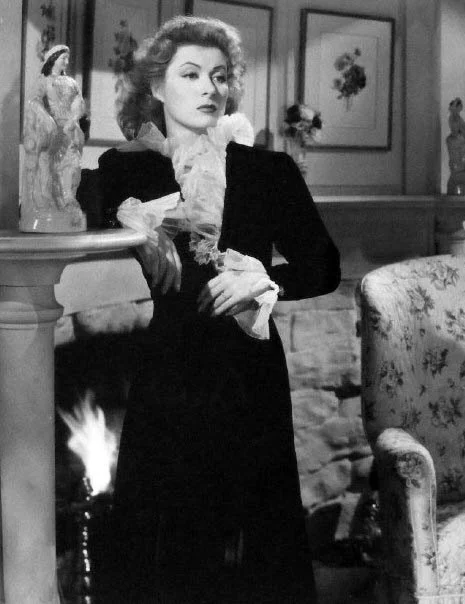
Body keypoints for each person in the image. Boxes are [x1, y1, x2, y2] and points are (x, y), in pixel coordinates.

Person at [98, 16, 340, 603]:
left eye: (221, 76)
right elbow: (79, 203)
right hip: (171, 369)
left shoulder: (269, 171)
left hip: (248, 372)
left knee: (257, 538)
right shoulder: (126, 169)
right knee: (170, 538)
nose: (210, 87)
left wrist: (264, 281)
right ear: (157, 87)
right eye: (191, 74)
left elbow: (324, 266)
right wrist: (137, 224)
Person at [21, 44, 87, 231]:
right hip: (52, 129)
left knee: (72, 163)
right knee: (50, 166)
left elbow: (79, 103)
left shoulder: (71, 82)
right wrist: (46, 119)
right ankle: (47, 200)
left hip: (69, 128)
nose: (66, 61)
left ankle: (68, 198)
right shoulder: (44, 81)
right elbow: (34, 101)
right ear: (53, 59)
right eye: (63, 58)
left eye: (67, 58)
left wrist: (73, 119)